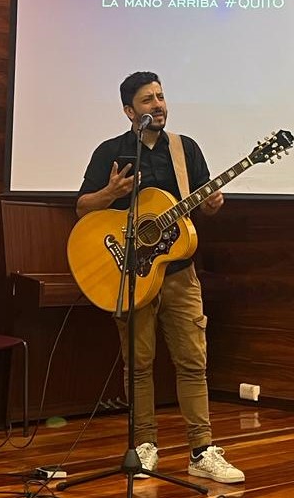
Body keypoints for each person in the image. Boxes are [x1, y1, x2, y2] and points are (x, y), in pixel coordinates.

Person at [76, 71, 245, 484]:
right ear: (129, 110)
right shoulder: (110, 151)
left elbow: (205, 203)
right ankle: (144, 445)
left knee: (192, 360)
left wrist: (212, 204)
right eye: (148, 99)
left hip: (180, 273)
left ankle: (202, 450)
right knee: (139, 364)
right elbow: (83, 207)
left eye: (161, 96)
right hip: (130, 273)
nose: (158, 105)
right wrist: (109, 195)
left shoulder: (185, 150)